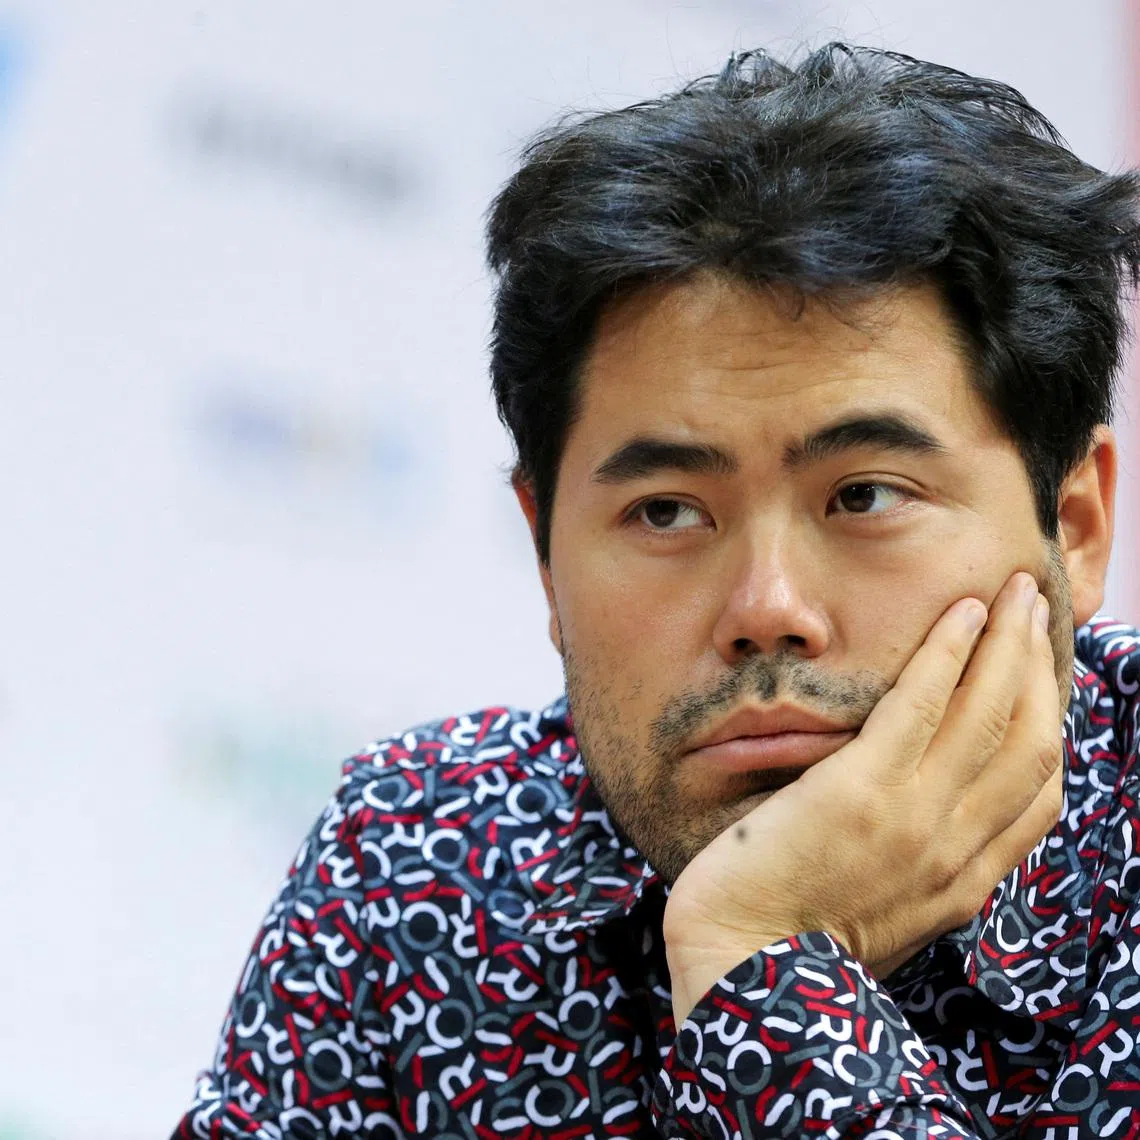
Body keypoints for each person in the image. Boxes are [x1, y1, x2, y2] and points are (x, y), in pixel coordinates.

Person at [171, 43, 1140, 1139]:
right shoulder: (415, 868)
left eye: (864, 495)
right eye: (668, 512)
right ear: (545, 554)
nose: (768, 608)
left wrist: (759, 966)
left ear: (1074, 526)